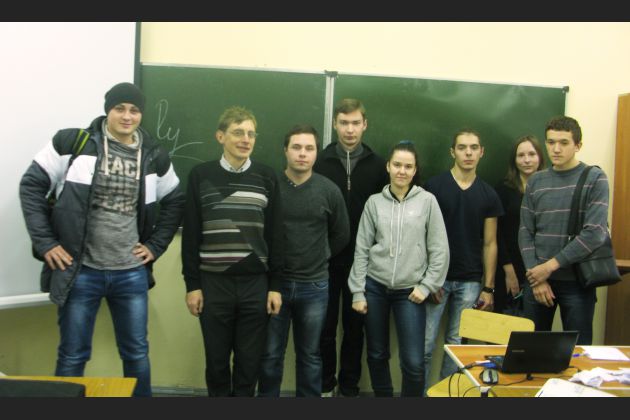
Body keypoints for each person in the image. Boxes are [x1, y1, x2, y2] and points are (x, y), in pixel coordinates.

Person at [19, 82, 185, 397]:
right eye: (119, 108)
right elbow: (31, 185)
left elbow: (176, 200)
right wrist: (46, 243)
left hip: (130, 273)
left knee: (136, 354)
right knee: (73, 355)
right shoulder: (73, 142)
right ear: (108, 110)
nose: (127, 116)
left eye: (134, 110)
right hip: (80, 271)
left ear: (141, 114)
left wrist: (155, 246)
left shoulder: (154, 155)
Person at [181, 106, 283, 397]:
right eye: (238, 132)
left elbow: (276, 235)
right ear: (220, 136)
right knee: (216, 364)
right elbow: (191, 234)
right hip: (214, 284)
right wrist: (192, 285)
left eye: (251, 133)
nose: (246, 139)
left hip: (255, 284)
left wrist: (275, 286)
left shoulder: (267, 176)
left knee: (249, 366)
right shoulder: (200, 175)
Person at [349, 140, 449, 397]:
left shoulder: (427, 202)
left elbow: (439, 249)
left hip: (410, 291)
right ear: (388, 167)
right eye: (397, 165)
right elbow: (362, 248)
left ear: (415, 170)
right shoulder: (374, 203)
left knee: (414, 362)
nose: (401, 171)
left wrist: (427, 286)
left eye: (407, 166)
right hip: (375, 287)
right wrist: (358, 291)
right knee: (376, 353)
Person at [257, 124, 350, 397]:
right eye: (296, 147)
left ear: (316, 153)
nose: (302, 154)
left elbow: (342, 233)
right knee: (271, 355)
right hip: (276, 286)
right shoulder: (270, 187)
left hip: (315, 286)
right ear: (285, 150)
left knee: (310, 355)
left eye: (309, 148)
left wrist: (320, 254)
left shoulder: (329, 190)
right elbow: (258, 231)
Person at [314, 98, 389, 397]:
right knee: (325, 329)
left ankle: (348, 388)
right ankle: (325, 385)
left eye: (355, 123)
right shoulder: (319, 162)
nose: (349, 129)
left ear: (365, 125)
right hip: (325, 261)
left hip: (364, 263)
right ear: (335, 124)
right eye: (344, 123)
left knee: (355, 330)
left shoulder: (379, 165)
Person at [423, 129, 503, 392]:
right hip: (437, 278)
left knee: (456, 346)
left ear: (482, 152)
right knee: (424, 344)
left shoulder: (488, 194)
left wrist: (488, 287)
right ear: (452, 152)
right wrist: (428, 280)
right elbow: (422, 236)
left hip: (470, 281)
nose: (468, 153)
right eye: (462, 147)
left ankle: (448, 396)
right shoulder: (434, 187)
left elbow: (490, 243)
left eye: (473, 148)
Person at [519, 116, 610, 345]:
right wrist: (537, 277)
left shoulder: (595, 178)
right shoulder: (536, 181)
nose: (556, 149)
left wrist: (549, 267)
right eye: (551, 142)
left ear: (578, 145)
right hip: (537, 281)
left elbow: (594, 233)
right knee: (531, 351)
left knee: (578, 352)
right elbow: (525, 231)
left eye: (564, 142)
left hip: (577, 281)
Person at [493, 135, 545, 315]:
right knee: (506, 320)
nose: (527, 160)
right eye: (521, 155)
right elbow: (497, 233)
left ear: (540, 157)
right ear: (514, 160)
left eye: (532, 154)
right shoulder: (503, 189)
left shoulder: (549, 188)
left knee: (535, 323)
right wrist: (509, 270)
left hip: (541, 268)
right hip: (508, 266)